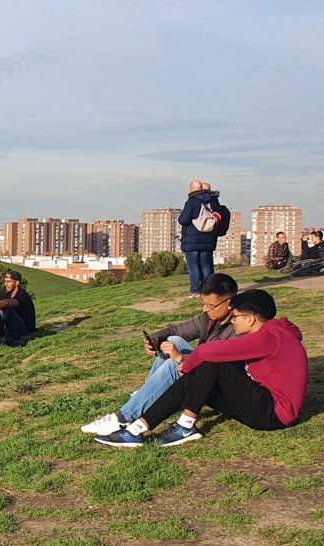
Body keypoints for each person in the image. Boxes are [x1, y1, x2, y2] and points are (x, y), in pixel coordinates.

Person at [94, 289, 308, 448]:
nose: (233, 322)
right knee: (201, 374)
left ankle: (184, 426)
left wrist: (187, 366)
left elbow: (209, 352)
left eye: (235, 317)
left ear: (250, 319)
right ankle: (136, 429)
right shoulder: (271, 333)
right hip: (261, 403)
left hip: (273, 413)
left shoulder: (269, 336)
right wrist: (191, 371)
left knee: (212, 363)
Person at [80, 273, 240, 435]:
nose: (205, 309)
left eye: (211, 306)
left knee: (173, 363)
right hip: (206, 373)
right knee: (172, 340)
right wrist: (156, 340)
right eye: (204, 304)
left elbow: (219, 364)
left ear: (229, 303)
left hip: (220, 384)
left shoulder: (240, 325)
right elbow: (176, 330)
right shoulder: (209, 318)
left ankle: (122, 419)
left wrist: (181, 358)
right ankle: (146, 399)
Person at [177, 180, 222, 298]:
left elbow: (183, 220)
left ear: (192, 189)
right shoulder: (211, 201)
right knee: (205, 265)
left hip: (192, 240)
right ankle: (208, 289)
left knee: (193, 265)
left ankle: (195, 290)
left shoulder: (192, 202)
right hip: (207, 238)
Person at [0, 270, 36, 346]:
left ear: (16, 283)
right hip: (14, 327)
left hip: (24, 329)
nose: (5, 284)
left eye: (8, 282)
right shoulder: (8, 294)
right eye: (5, 281)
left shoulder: (21, 295)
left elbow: (3, 304)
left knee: (5, 310)